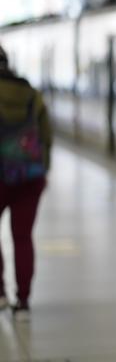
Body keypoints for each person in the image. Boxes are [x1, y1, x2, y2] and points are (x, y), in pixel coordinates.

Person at [0, 44, 52, 320]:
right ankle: (23, 303)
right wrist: (44, 172)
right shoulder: (31, 94)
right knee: (22, 237)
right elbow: (46, 136)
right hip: (29, 178)